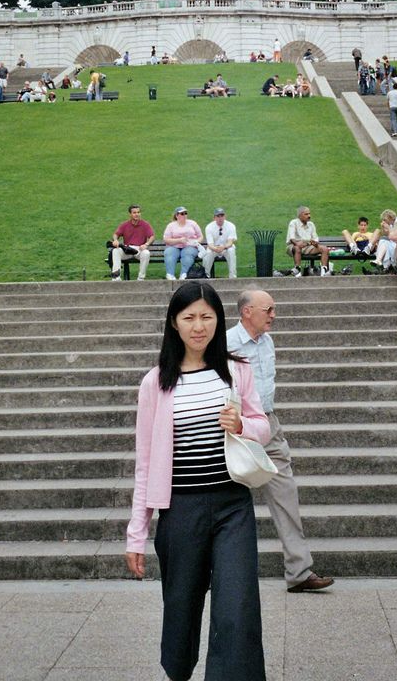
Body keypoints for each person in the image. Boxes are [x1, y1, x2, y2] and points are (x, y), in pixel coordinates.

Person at [126, 282, 269, 681]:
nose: (198, 326)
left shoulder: (236, 371)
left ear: (218, 321)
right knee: (181, 609)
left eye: (207, 317)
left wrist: (243, 424)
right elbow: (145, 462)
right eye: (189, 317)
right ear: (174, 323)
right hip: (180, 509)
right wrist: (136, 533)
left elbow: (263, 425)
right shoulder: (156, 383)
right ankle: (178, 671)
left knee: (236, 608)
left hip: (232, 506)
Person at [227, 288, 334, 593]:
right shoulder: (226, 343)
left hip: (269, 424)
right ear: (247, 312)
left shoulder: (267, 340)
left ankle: (299, 571)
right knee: (228, 499)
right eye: (268, 309)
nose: (274, 315)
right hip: (237, 427)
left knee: (286, 494)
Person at [110, 205, 155, 281]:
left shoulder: (145, 224)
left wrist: (146, 244)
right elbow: (115, 234)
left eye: (138, 212)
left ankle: (141, 278)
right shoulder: (125, 225)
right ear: (130, 214)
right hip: (127, 249)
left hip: (139, 249)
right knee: (115, 251)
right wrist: (115, 240)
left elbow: (152, 237)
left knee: (146, 253)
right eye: (134, 213)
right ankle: (116, 277)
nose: (137, 214)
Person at [286, 206, 332, 276]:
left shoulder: (311, 224)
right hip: (294, 246)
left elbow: (315, 239)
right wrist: (298, 244)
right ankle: (297, 269)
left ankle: (324, 271)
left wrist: (312, 243)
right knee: (297, 248)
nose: (309, 216)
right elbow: (292, 239)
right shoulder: (293, 223)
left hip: (308, 246)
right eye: (306, 214)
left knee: (325, 249)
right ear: (300, 215)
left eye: (309, 214)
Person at [163, 207, 204, 280]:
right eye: (182, 214)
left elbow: (200, 236)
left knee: (187, 253)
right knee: (169, 252)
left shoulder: (193, 223)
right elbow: (166, 239)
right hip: (174, 246)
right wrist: (179, 240)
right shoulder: (171, 226)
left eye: (185, 213)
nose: (184, 215)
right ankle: (170, 274)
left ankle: (184, 274)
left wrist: (196, 242)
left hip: (190, 246)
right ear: (177, 215)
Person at [201, 208, 237, 278]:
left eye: (222, 215)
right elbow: (210, 244)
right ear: (214, 218)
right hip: (214, 248)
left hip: (226, 247)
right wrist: (215, 248)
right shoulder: (209, 227)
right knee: (208, 253)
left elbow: (230, 242)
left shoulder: (231, 226)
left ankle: (232, 276)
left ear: (225, 216)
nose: (220, 218)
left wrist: (223, 247)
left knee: (231, 251)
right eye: (218, 216)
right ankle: (205, 276)